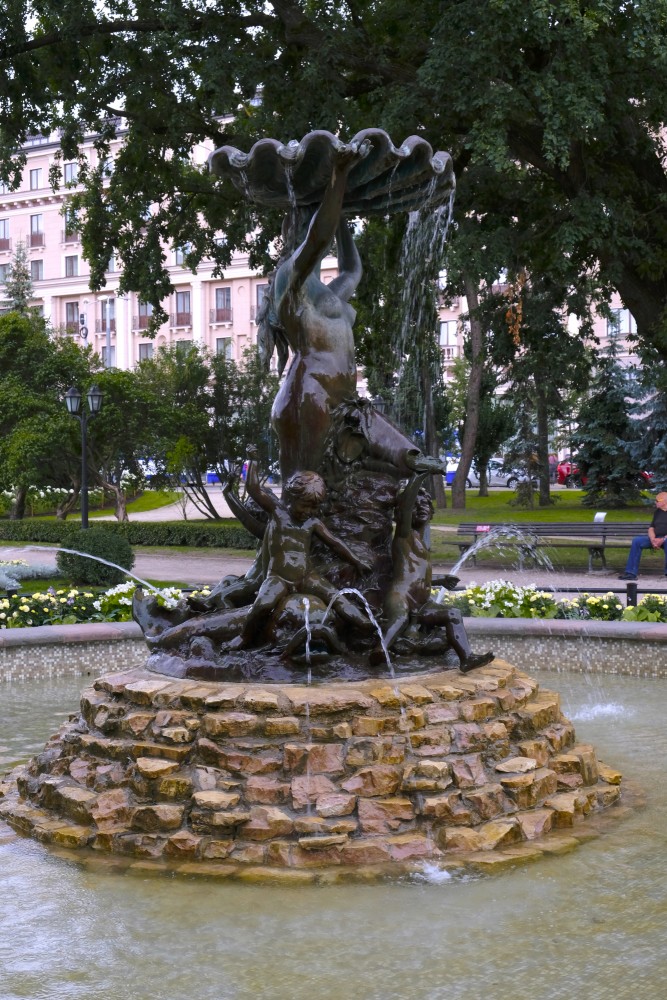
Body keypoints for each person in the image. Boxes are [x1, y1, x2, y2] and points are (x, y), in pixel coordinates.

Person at [370, 473, 494, 673]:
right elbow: (407, 506)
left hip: (422, 603)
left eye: (426, 505)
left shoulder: (422, 540)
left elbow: (419, 575)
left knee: (453, 614)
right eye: (416, 506)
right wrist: (419, 476)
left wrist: (440, 580)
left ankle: (466, 658)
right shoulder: (403, 535)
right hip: (401, 596)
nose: (421, 508)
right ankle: (379, 650)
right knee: (400, 619)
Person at [618, 492, 667, 581]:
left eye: (657, 500)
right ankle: (631, 573)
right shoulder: (658, 512)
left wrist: (663, 539)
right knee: (637, 541)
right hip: (656, 538)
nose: (655, 502)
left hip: (665, 539)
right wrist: (653, 539)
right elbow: (651, 528)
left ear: (664, 501)